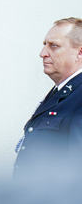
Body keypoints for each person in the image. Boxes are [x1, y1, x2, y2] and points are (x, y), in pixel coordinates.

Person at [14, 17, 82, 174]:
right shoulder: (60, 93)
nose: (42, 53)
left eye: (54, 46)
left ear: (80, 52)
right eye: (45, 45)